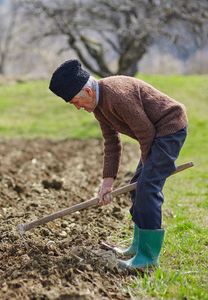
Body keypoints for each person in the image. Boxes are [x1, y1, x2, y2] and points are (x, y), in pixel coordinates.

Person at [49, 59, 188, 270]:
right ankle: (137, 247)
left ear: (87, 91)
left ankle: (148, 260)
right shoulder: (98, 106)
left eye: (75, 102)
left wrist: (148, 171)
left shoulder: (116, 95)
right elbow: (112, 143)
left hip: (169, 129)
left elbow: (146, 133)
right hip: (156, 134)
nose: (77, 108)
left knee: (147, 188)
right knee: (137, 186)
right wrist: (107, 181)